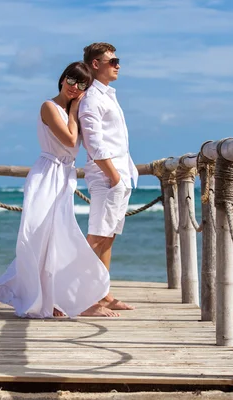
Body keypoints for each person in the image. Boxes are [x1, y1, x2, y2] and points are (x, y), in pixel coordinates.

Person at [0, 61, 120, 318]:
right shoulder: (49, 107)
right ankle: (5, 291)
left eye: (83, 84)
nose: (75, 87)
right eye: (72, 81)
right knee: (35, 237)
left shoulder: (76, 112)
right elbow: (70, 140)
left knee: (57, 240)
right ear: (63, 79)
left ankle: (56, 300)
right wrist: (74, 110)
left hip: (65, 177)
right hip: (46, 175)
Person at [78, 43, 139, 311]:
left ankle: (102, 293)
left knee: (108, 236)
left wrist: (122, 177)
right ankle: (79, 296)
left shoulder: (108, 95)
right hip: (106, 177)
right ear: (95, 64)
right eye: (113, 61)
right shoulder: (92, 98)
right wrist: (113, 177)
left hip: (119, 176)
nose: (118, 65)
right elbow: (94, 143)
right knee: (97, 237)